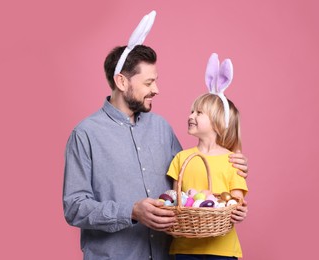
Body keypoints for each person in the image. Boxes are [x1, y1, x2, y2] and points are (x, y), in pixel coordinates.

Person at [63, 11, 249, 260]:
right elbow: (74, 207)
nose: (157, 90)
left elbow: (194, 179)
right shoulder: (85, 134)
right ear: (121, 82)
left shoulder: (162, 128)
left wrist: (232, 165)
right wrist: (131, 211)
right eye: (149, 83)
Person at [166, 53, 247, 260]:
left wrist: (239, 211)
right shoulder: (181, 158)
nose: (190, 116)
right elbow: (176, 201)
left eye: (199, 113)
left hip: (222, 250)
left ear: (218, 122)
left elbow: (235, 202)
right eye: (191, 111)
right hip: (185, 248)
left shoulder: (232, 161)